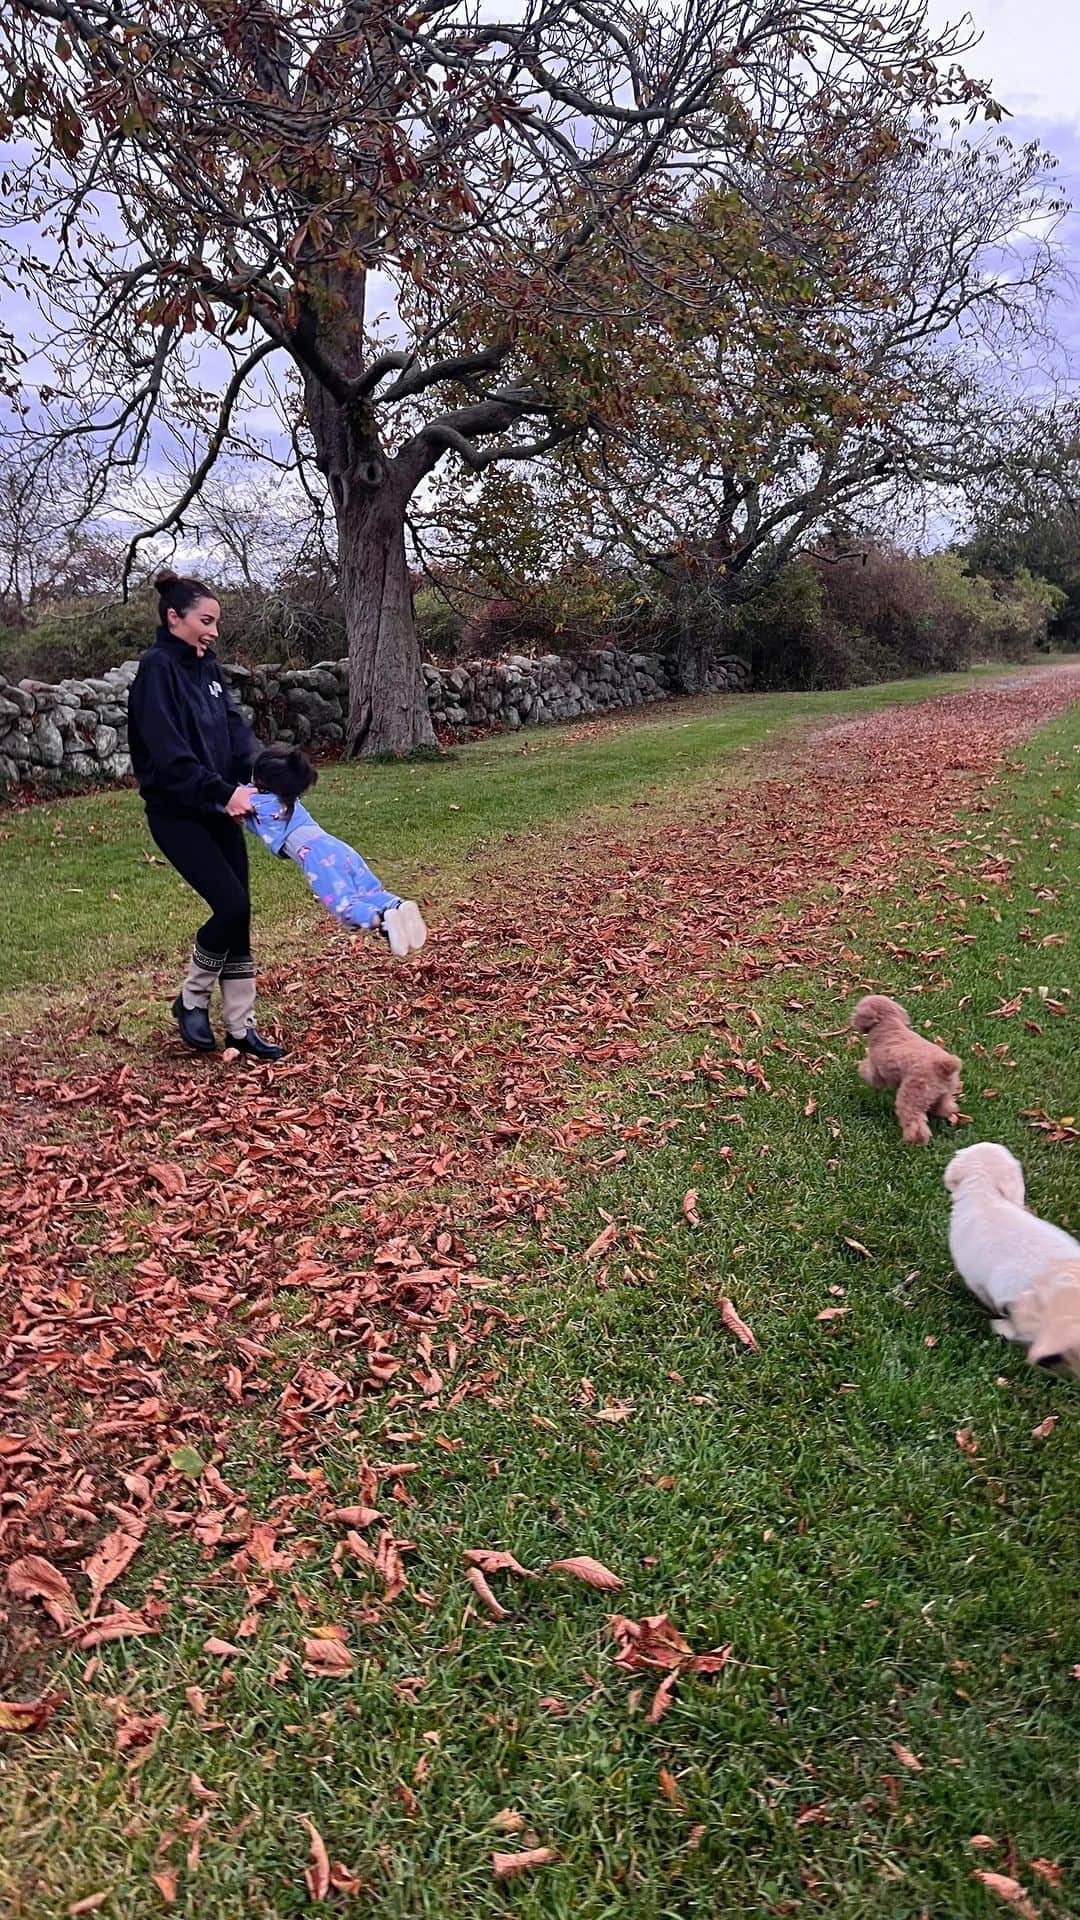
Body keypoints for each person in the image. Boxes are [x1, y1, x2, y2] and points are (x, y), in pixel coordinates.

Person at [127, 570, 284, 1060]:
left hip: (218, 810)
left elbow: (233, 733)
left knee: (239, 915)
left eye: (216, 622)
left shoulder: (206, 668)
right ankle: (191, 999)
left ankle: (241, 1026)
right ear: (174, 617)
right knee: (231, 906)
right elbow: (171, 758)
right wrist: (221, 792)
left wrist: (264, 771)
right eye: (205, 620)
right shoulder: (157, 670)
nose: (213, 630)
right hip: (177, 815)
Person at [247, 744, 427, 957]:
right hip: (338, 847)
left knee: (345, 906)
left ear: (262, 783)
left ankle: (381, 920)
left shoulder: (258, 804)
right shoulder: (290, 801)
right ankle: (398, 905)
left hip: (317, 857)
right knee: (370, 891)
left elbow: (230, 803)